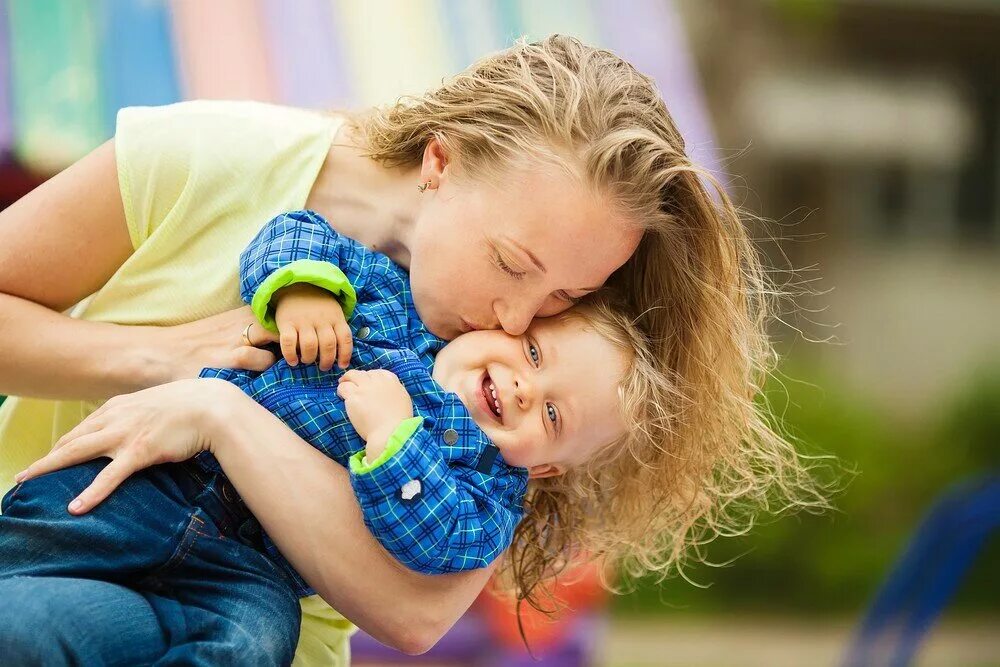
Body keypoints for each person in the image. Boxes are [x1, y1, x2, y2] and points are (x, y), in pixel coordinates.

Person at [0, 35, 823, 666]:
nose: (516, 316)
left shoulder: (527, 381)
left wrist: (218, 412)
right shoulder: (213, 159)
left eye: (565, 297)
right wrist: (157, 360)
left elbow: (418, 611)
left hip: (236, 615)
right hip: (64, 524)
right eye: (511, 263)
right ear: (440, 159)